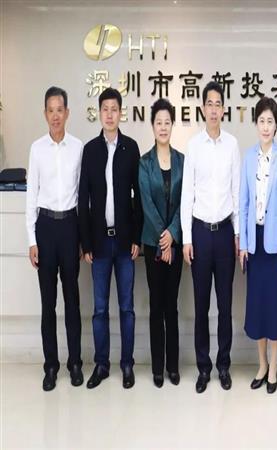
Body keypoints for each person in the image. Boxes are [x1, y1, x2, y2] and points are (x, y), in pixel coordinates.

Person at [78, 87, 143, 389]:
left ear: (120, 113)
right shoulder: (90, 150)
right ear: (99, 113)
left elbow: (138, 197)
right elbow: (83, 199)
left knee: (127, 308)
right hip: (99, 243)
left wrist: (137, 237)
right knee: (100, 309)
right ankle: (102, 365)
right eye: (105, 108)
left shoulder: (131, 148)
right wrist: (86, 243)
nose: (109, 114)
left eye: (114, 109)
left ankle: (127, 364)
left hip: (126, 242)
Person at [180, 81, 240, 393]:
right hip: (201, 234)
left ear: (223, 109)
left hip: (226, 234)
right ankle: (204, 368)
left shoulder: (232, 145)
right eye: (210, 104)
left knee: (226, 306)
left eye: (218, 104)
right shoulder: (193, 146)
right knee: (202, 305)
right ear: (203, 108)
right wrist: (187, 239)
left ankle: (224, 365)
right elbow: (186, 195)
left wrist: (239, 234)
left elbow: (237, 193)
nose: (214, 109)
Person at [26, 86, 83, 391]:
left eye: (60, 110)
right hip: (46, 227)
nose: (56, 115)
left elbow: (84, 197)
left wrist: (83, 238)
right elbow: (30, 197)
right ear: (45, 114)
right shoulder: (37, 149)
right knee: (48, 303)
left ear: (67, 113)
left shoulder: (78, 147)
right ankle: (51, 366)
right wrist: (31, 240)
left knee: (72, 300)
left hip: (70, 226)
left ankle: (75, 363)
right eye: (51, 110)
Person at [239, 97, 277, 394]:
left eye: (270, 121)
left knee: (274, 307)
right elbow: (244, 202)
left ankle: (274, 366)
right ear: (256, 123)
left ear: (276, 125)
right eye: (261, 120)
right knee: (257, 307)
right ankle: (261, 364)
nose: (265, 126)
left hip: (274, 245)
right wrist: (243, 244)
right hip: (254, 243)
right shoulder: (248, 157)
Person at [139, 98, 184, 388]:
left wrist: (172, 234)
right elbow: (146, 203)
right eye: (159, 122)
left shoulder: (182, 161)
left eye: (167, 122)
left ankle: (173, 366)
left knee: (172, 305)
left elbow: (185, 201)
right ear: (152, 126)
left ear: (172, 125)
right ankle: (157, 367)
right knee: (156, 305)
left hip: (175, 243)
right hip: (153, 244)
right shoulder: (144, 163)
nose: (163, 127)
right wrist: (162, 238)